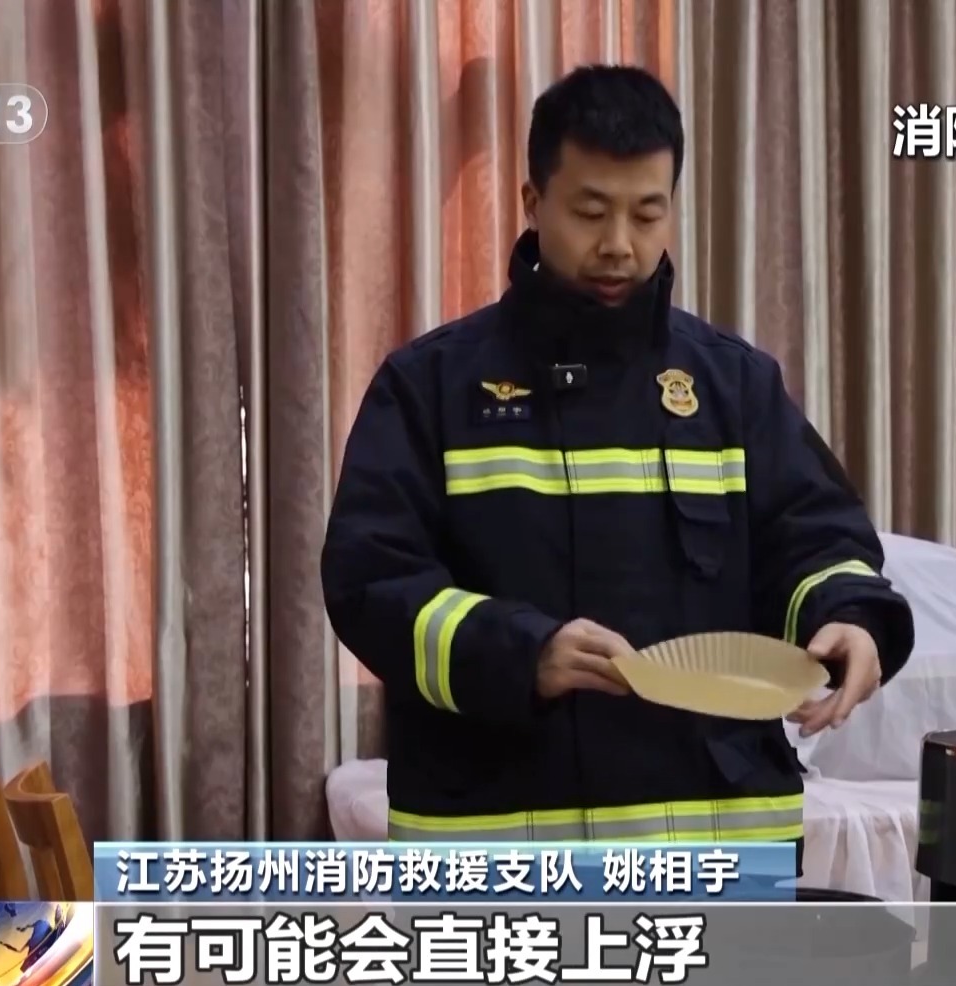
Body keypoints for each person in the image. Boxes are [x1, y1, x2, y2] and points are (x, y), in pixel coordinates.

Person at [320, 65, 914, 857]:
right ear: (532, 202)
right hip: (497, 849)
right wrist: (521, 652)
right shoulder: (432, 385)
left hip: (718, 849)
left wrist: (849, 617)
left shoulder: (731, 385)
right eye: (591, 212)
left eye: (647, 213)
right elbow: (370, 581)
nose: (619, 245)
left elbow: (816, 536)